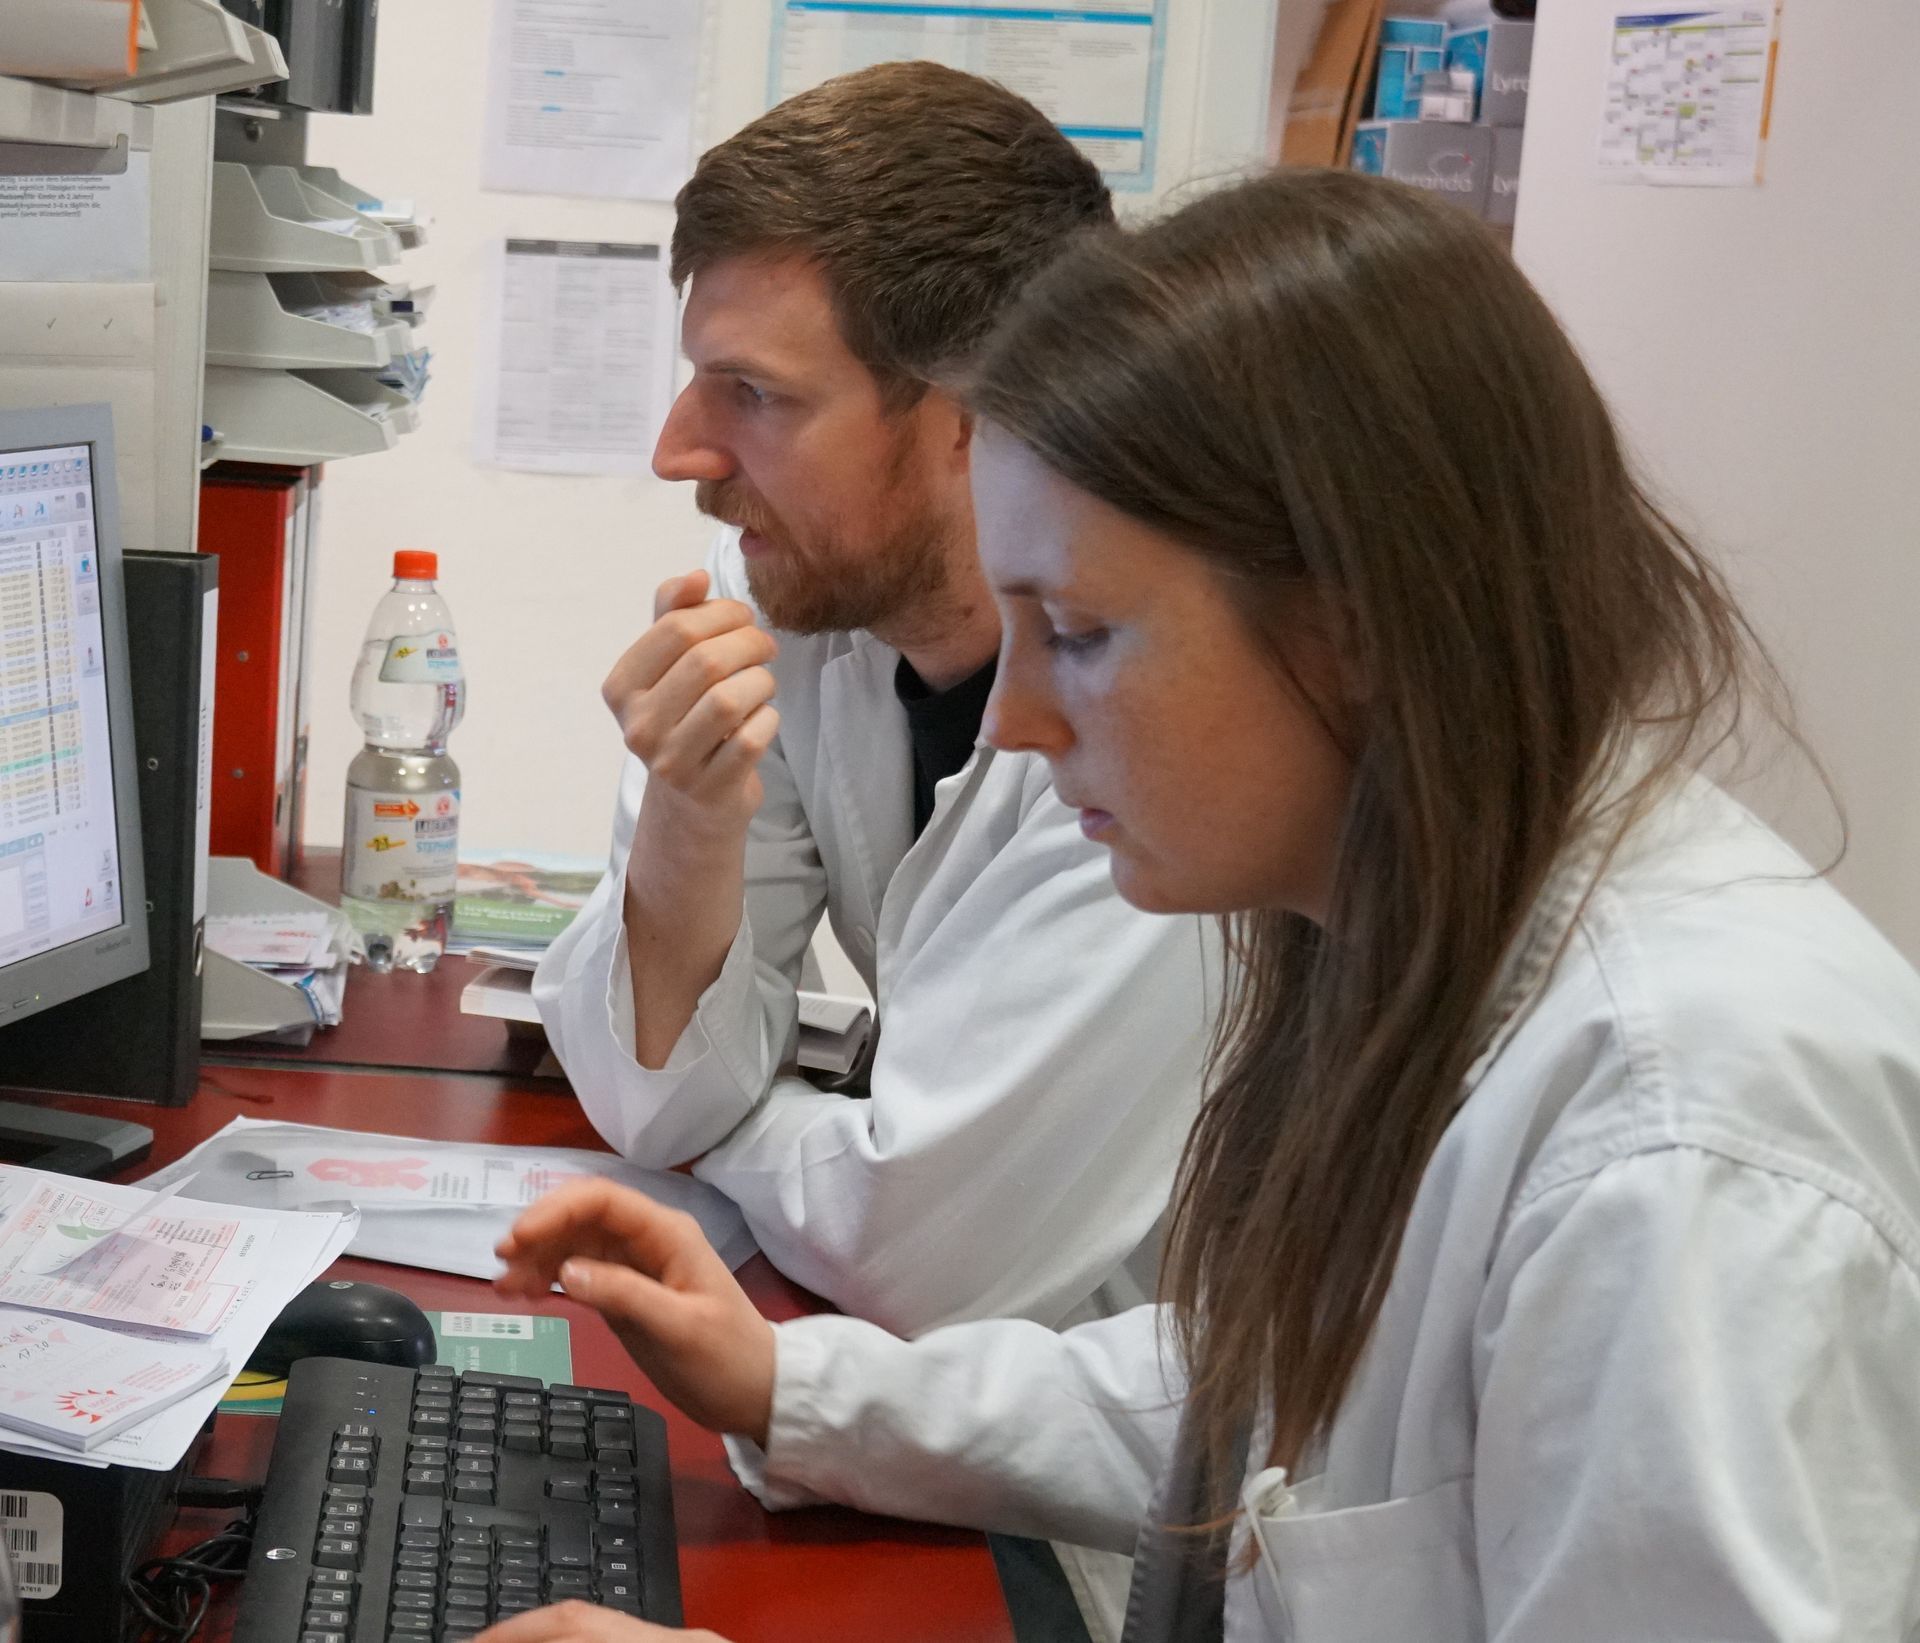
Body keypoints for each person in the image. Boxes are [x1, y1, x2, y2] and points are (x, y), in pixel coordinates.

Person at [492, 168, 1920, 1642]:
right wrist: (797, 1385)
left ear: (1358, 620)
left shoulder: (1678, 1147)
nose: (1020, 722)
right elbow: (1264, 1401)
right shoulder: (1418, 927)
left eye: (1087, 634)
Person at [534, 62, 1215, 1633]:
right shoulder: (804, 599)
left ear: (980, 423)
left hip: (1093, 1531)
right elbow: (647, 1096)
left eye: (755, 396)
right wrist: (695, 825)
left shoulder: (1159, 725)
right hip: (967, 1430)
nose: (680, 450)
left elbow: (922, 1260)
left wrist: (746, 1126)